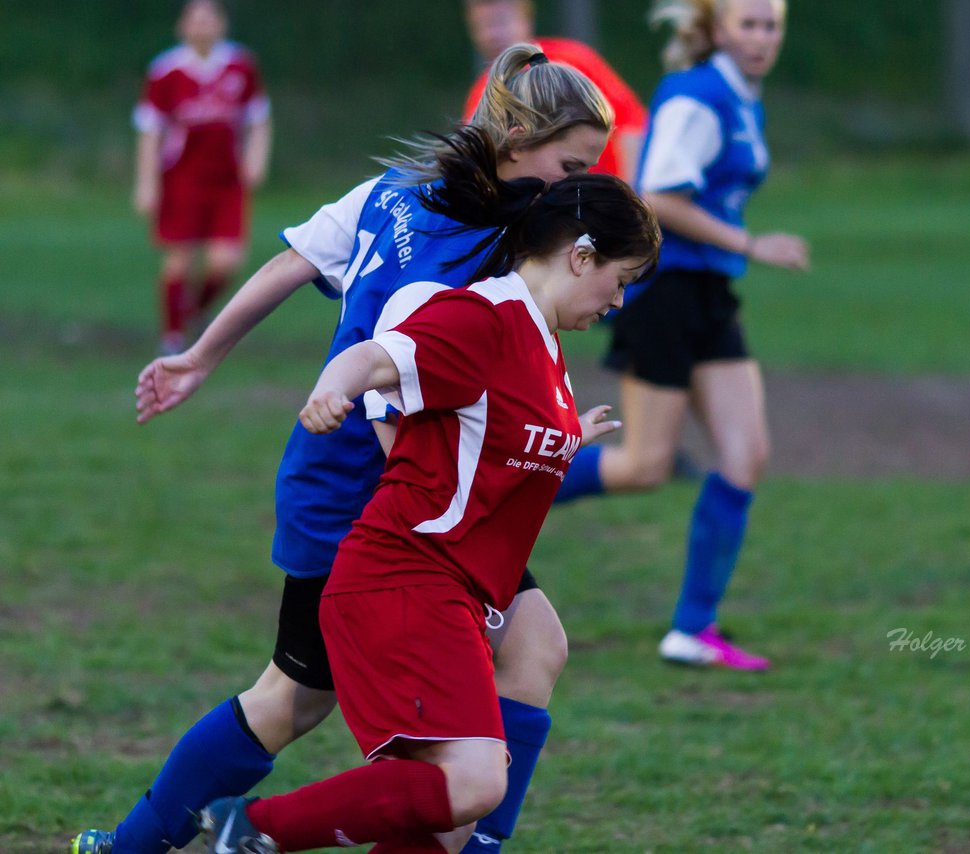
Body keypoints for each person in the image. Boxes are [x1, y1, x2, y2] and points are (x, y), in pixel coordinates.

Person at [70, 45, 613, 854]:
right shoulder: (462, 259)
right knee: (293, 700)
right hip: (370, 496)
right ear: (518, 137)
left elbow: (293, 263)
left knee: (533, 645)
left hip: (418, 491)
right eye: (570, 166)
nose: (575, 187)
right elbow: (390, 392)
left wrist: (202, 355)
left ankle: (475, 841)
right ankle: (137, 845)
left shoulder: (400, 193)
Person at [193, 131, 661, 854]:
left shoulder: (544, 346)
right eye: (620, 279)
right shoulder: (482, 316)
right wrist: (335, 385)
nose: (621, 301)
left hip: (445, 594)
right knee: (472, 784)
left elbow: (493, 439)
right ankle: (249, 827)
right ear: (581, 255)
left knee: (448, 817)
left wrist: (570, 437)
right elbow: (381, 355)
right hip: (405, 585)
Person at [553, 0, 809, 671]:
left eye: (772, 25)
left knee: (746, 454)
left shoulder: (739, 94)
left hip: (709, 294)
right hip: (664, 289)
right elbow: (658, 197)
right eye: (749, 23)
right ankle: (491, 484)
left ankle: (693, 628)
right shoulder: (697, 96)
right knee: (644, 465)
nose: (762, 37)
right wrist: (753, 243)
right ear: (718, 27)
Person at [134, 0, 272, 355]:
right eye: (194, 20)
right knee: (179, 259)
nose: (202, 26)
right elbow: (150, 132)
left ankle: (195, 311)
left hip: (227, 180)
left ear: (222, 24)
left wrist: (256, 159)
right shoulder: (166, 71)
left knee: (226, 261)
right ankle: (173, 337)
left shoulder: (241, 65)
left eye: (209, 19)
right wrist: (146, 183)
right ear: (182, 27)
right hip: (182, 178)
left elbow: (258, 119)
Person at [462, 0, 648, 183]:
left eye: (501, 22)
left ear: (526, 18)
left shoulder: (571, 61)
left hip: (600, 197)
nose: (494, 35)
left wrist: (629, 197)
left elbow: (631, 126)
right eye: (484, 26)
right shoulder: (483, 93)